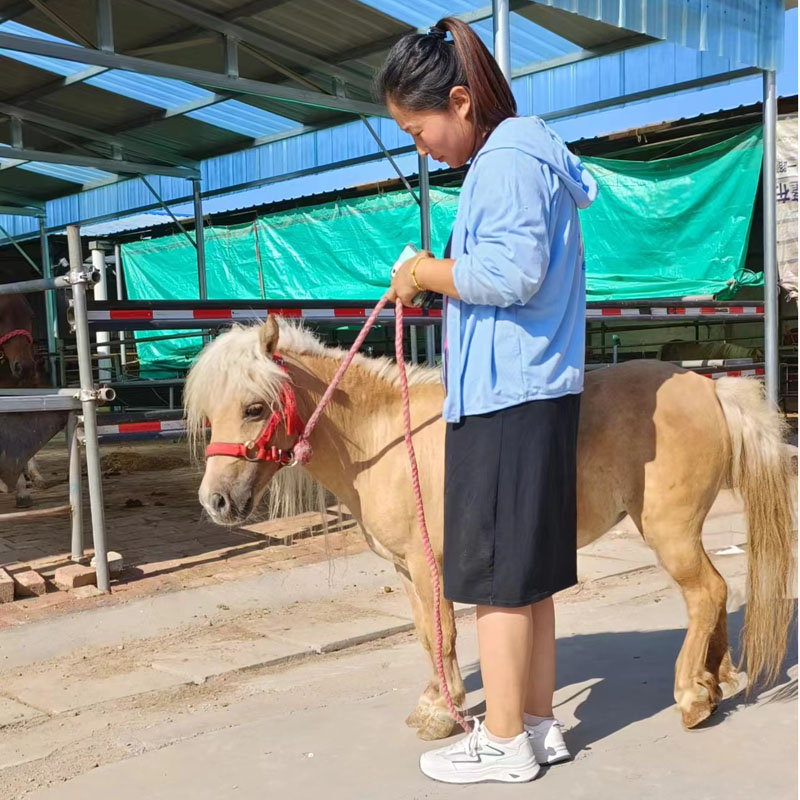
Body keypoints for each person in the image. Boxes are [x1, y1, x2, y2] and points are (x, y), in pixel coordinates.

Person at [379, 16, 597, 785]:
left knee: (499, 583)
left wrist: (426, 274)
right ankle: (537, 725)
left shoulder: (502, 164)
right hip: (534, 389)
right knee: (529, 579)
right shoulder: (528, 156)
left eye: (418, 127)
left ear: (462, 101)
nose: (420, 145)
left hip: (506, 394)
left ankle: (503, 743)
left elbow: (510, 275)